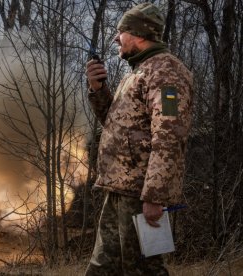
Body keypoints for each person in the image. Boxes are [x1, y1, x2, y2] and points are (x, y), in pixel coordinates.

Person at [84, 2, 194, 275]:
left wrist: (154, 195)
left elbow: (169, 135)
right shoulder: (137, 73)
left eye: (121, 32)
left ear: (139, 34)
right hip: (119, 190)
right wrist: (98, 89)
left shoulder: (166, 72)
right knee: (103, 268)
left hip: (140, 193)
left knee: (145, 270)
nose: (115, 38)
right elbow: (117, 123)